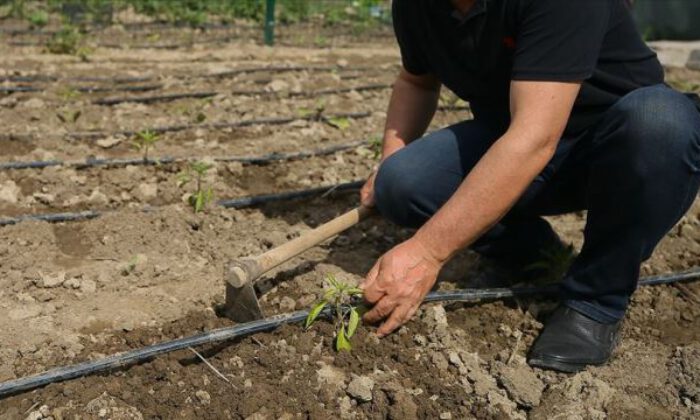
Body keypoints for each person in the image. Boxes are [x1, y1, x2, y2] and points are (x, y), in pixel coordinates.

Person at [359, 0, 700, 373]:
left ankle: (596, 298)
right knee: (402, 182)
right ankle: (535, 254)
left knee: (661, 123)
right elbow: (416, 81)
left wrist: (427, 252)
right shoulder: (417, 7)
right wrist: (390, 157)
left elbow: (535, 139)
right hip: (515, 142)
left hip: (620, 150)